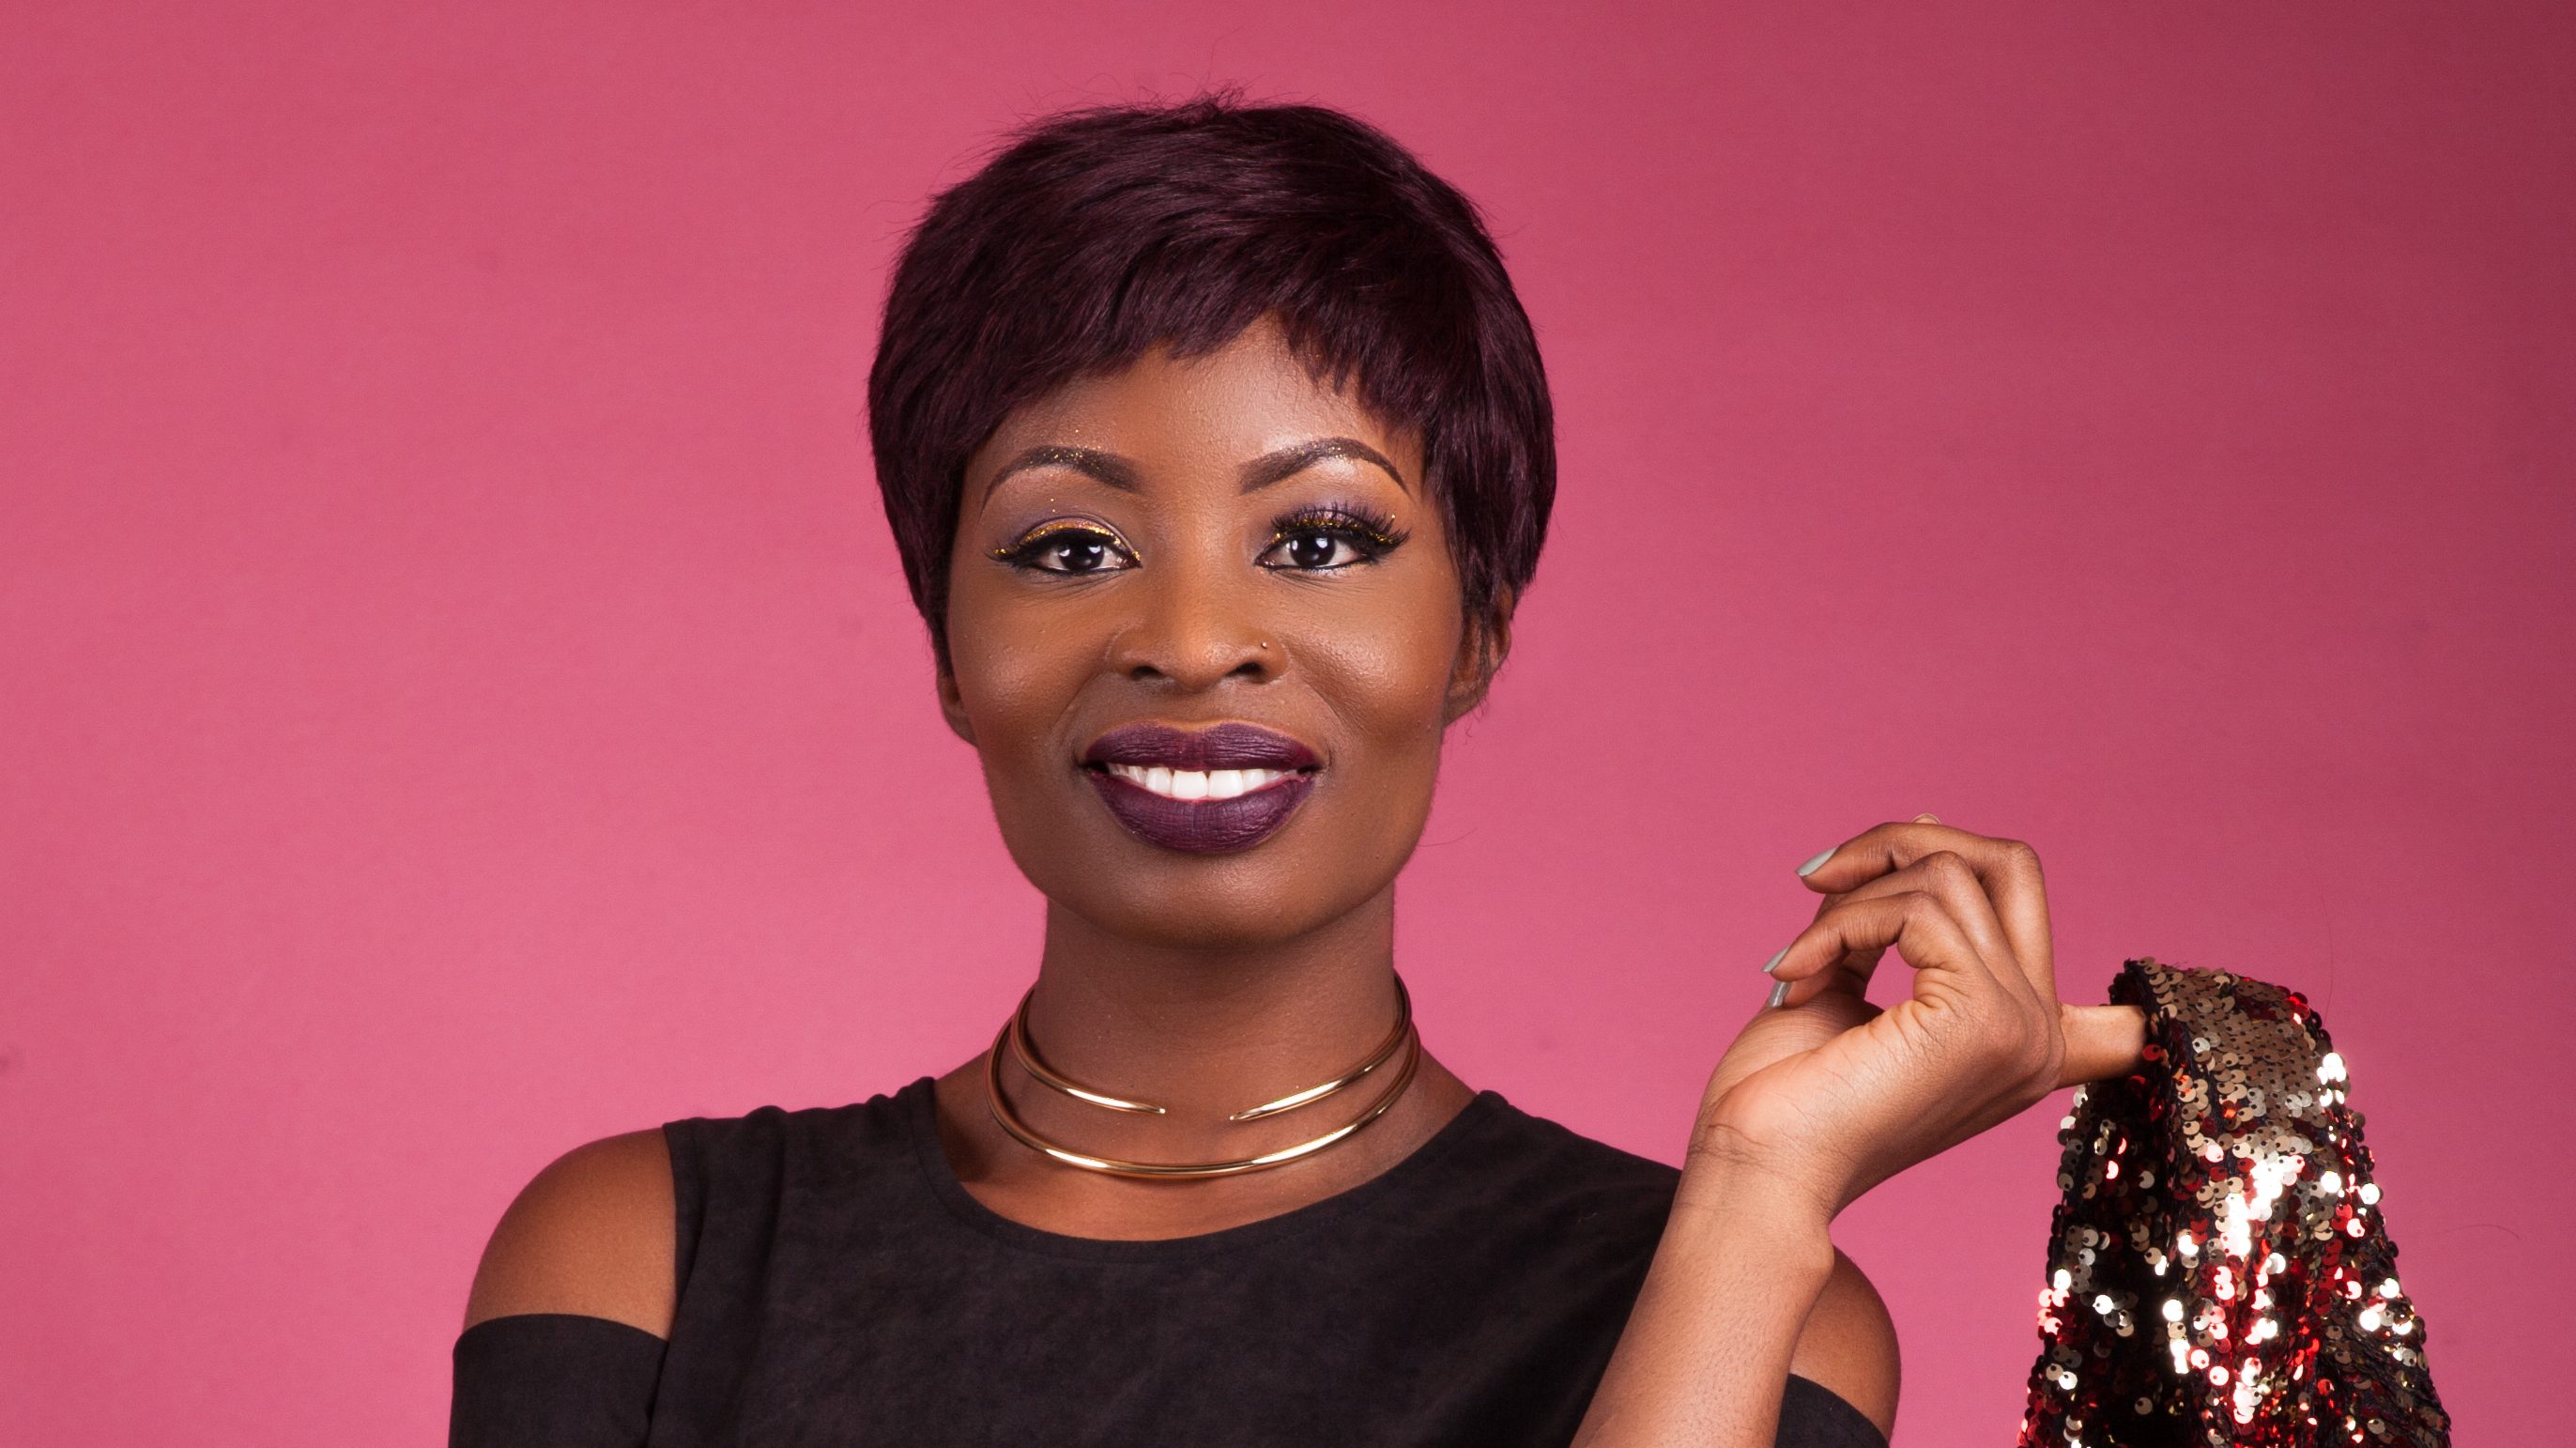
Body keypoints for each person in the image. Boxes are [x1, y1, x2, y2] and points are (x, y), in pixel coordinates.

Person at [450, 93, 2146, 1448]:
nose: (1194, 641)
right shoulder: (646, 1261)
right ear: (948, 649)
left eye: (1320, 539)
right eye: (1069, 547)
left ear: (1475, 632)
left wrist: (1761, 1200)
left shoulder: (1746, 1304)